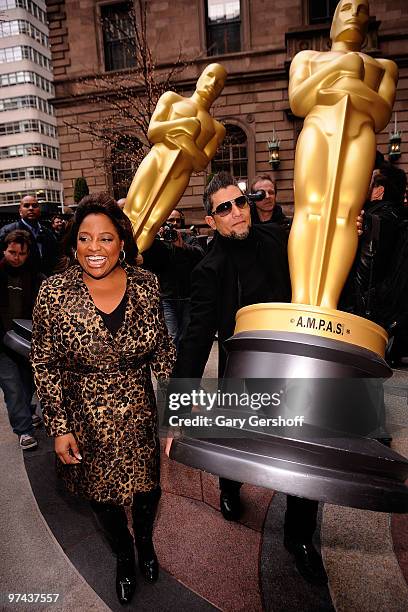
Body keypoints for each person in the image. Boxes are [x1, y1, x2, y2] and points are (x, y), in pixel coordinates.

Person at [172, 172, 326, 585]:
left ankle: (299, 538)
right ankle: (229, 487)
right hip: (240, 375)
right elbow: (195, 338)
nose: (237, 212)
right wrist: (176, 408)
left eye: (240, 202)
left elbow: (321, 243)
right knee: (234, 442)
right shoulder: (209, 269)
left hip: (293, 369)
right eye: (224, 208)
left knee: (303, 453)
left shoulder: (278, 237)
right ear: (210, 220)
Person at [31, 194, 176, 605]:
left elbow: (163, 350)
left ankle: (146, 544)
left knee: (148, 489)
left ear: (122, 243)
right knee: (102, 497)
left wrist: (173, 410)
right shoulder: (54, 293)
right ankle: (124, 556)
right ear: (73, 244)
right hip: (84, 417)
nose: (95, 248)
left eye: (106, 238)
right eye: (85, 238)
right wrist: (59, 428)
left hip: (138, 411)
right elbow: (44, 364)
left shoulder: (146, 285)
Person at [288, 0, 398, 309]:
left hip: (359, 134)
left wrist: (346, 84)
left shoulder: (384, 67)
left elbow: (380, 113)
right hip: (318, 130)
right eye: (347, 8)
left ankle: (326, 301)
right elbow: (298, 101)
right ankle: (300, 297)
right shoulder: (307, 57)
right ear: (334, 18)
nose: (354, 15)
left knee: (345, 216)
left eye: (362, 9)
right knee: (308, 209)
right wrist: (341, 68)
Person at [124, 63, 227, 252]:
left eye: (219, 83)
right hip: (156, 161)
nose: (212, 84)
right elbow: (153, 132)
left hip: (179, 175)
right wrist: (183, 125)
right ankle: (115, 254)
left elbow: (201, 163)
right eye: (210, 76)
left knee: (154, 221)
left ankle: (133, 258)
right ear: (200, 78)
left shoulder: (216, 129)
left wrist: (184, 142)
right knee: (131, 211)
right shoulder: (171, 99)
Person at [0, 230, 45, 450]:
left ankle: (26, 412)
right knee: (12, 387)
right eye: (12, 252)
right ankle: (24, 430)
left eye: (22, 253)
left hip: (27, 342)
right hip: (2, 343)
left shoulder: (35, 277)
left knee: (28, 385)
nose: (16, 257)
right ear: (4, 250)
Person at [142, 209, 204, 350]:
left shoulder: (189, 238)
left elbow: (201, 255)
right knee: (172, 335)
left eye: (177, 221)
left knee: (186, 336)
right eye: (171, 220)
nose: (174, 224)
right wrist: (156, 240)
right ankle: (172, 369)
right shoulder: (157, 242)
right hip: (166, 297)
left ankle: (183, 366)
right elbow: (147, 262)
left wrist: (182, 246)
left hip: (188, 296)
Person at [0, 196, 58, 277]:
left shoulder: (48, 232)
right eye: (26, 206)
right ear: (20, 211)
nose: (31, 208)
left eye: (34, 206)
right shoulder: (8, 231)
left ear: (39, 210)